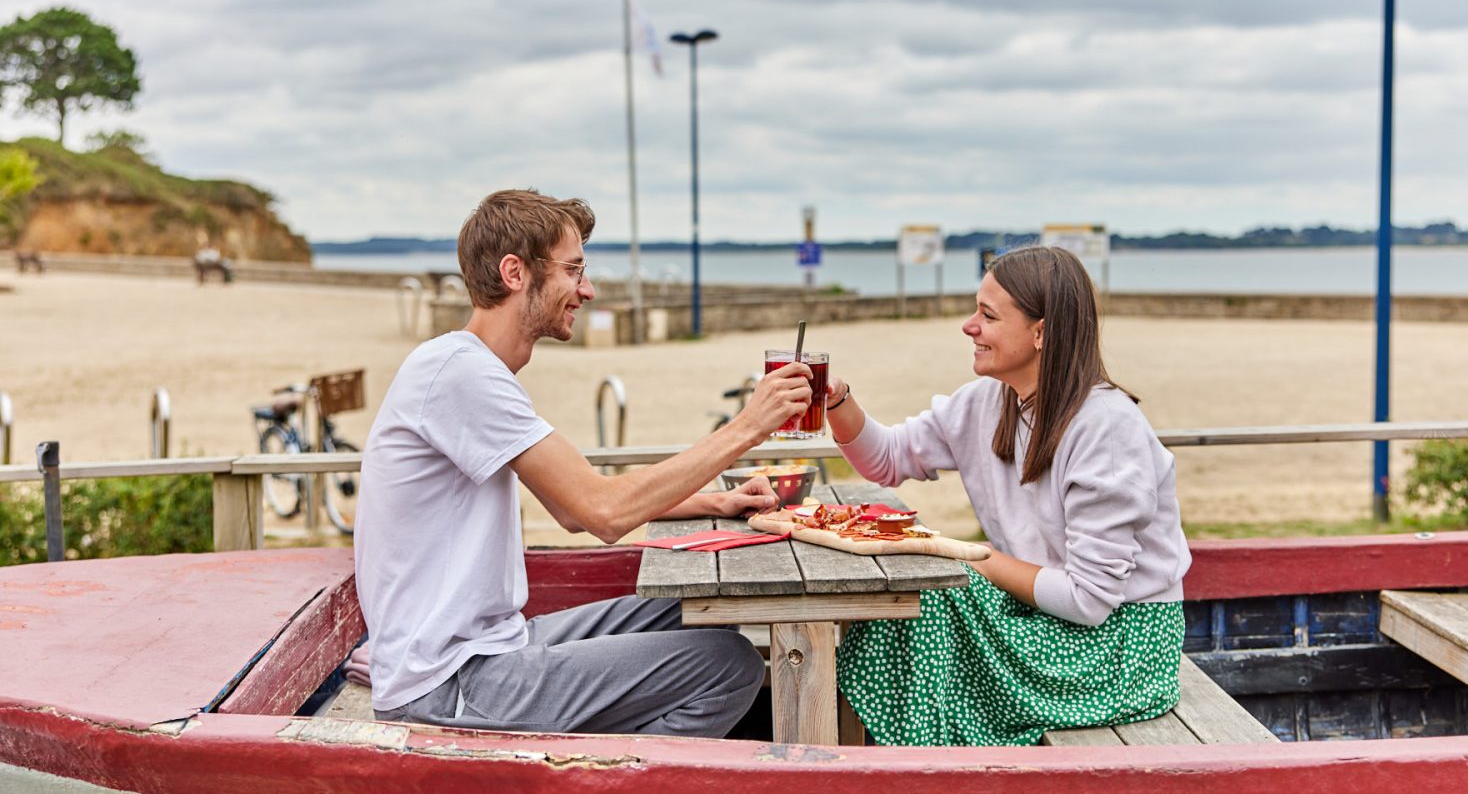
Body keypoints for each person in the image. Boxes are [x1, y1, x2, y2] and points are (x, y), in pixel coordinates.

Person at [354, 188, 815, 737]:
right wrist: (747, 426)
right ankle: (596, 774)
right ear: (515, 272)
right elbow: (602, 513)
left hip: (489, 646)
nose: (587, 290)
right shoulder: (460, 373)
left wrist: (717, 501)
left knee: (697, 607)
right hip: (449, 681)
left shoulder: (470, 367)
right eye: (574, 270)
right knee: (727, 665)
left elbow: (572, 507)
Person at [825, 245, 1191, 746]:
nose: (968, 325)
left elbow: (1089, 601)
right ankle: (917, 760)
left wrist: (965, 555)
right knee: (914, 595)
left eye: (987, 314)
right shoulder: (986, 403)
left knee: (931, 594)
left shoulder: (1104, 429)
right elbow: (886, 459)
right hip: (1041, 623)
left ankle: (920, 763)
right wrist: (837, 398)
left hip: (1117, 651)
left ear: (1041, 332)